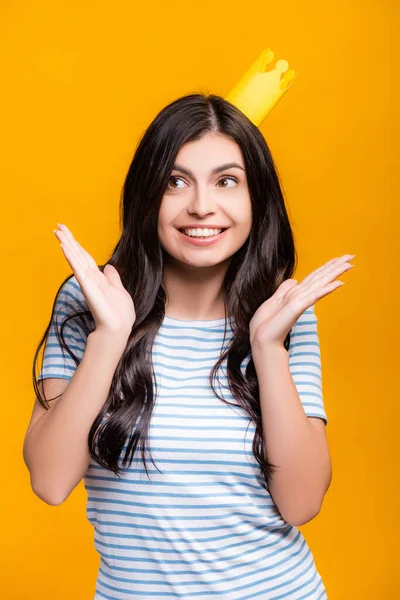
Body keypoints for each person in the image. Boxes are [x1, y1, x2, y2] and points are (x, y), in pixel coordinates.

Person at [23, 93, 354, 599]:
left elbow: (302, 501)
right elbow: (49, 481)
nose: (202, 206)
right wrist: (108, 338)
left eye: (227, 181)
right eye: (176, 181)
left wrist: (268, 347)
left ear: (255, 199)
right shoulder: (91, 302)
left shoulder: (281, 314)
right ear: (146, 194)